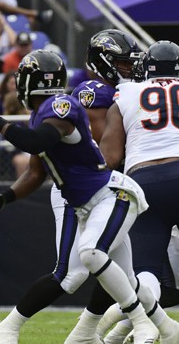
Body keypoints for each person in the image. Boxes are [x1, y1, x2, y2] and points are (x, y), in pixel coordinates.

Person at [0, 49, 160, 344]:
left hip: (111, 195)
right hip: (87, 203)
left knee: (91, 255)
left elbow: (36, 143)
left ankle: (141, 323)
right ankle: (163, 327)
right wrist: (7, 195)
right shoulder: (41, 114)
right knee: (113, 275)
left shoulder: (61, 105)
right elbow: (36, 172)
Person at [97, 40, 179, 344]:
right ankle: (126, 327)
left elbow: (109, 157)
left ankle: (133, 329)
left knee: (147, 272)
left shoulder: (128, 93)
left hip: (143, 180)